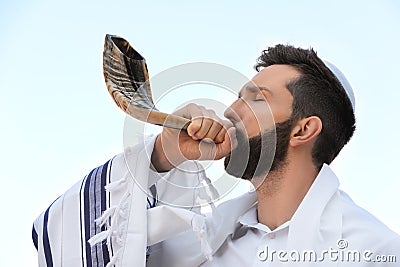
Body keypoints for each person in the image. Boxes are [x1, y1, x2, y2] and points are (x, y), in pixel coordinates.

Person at [33, 45, 400, 266]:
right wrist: (164, 154)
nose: (230, 111)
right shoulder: (203, 246)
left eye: (256, 98)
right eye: (239, 96)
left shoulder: (372, 251)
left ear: (304, 130)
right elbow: (71, 240)